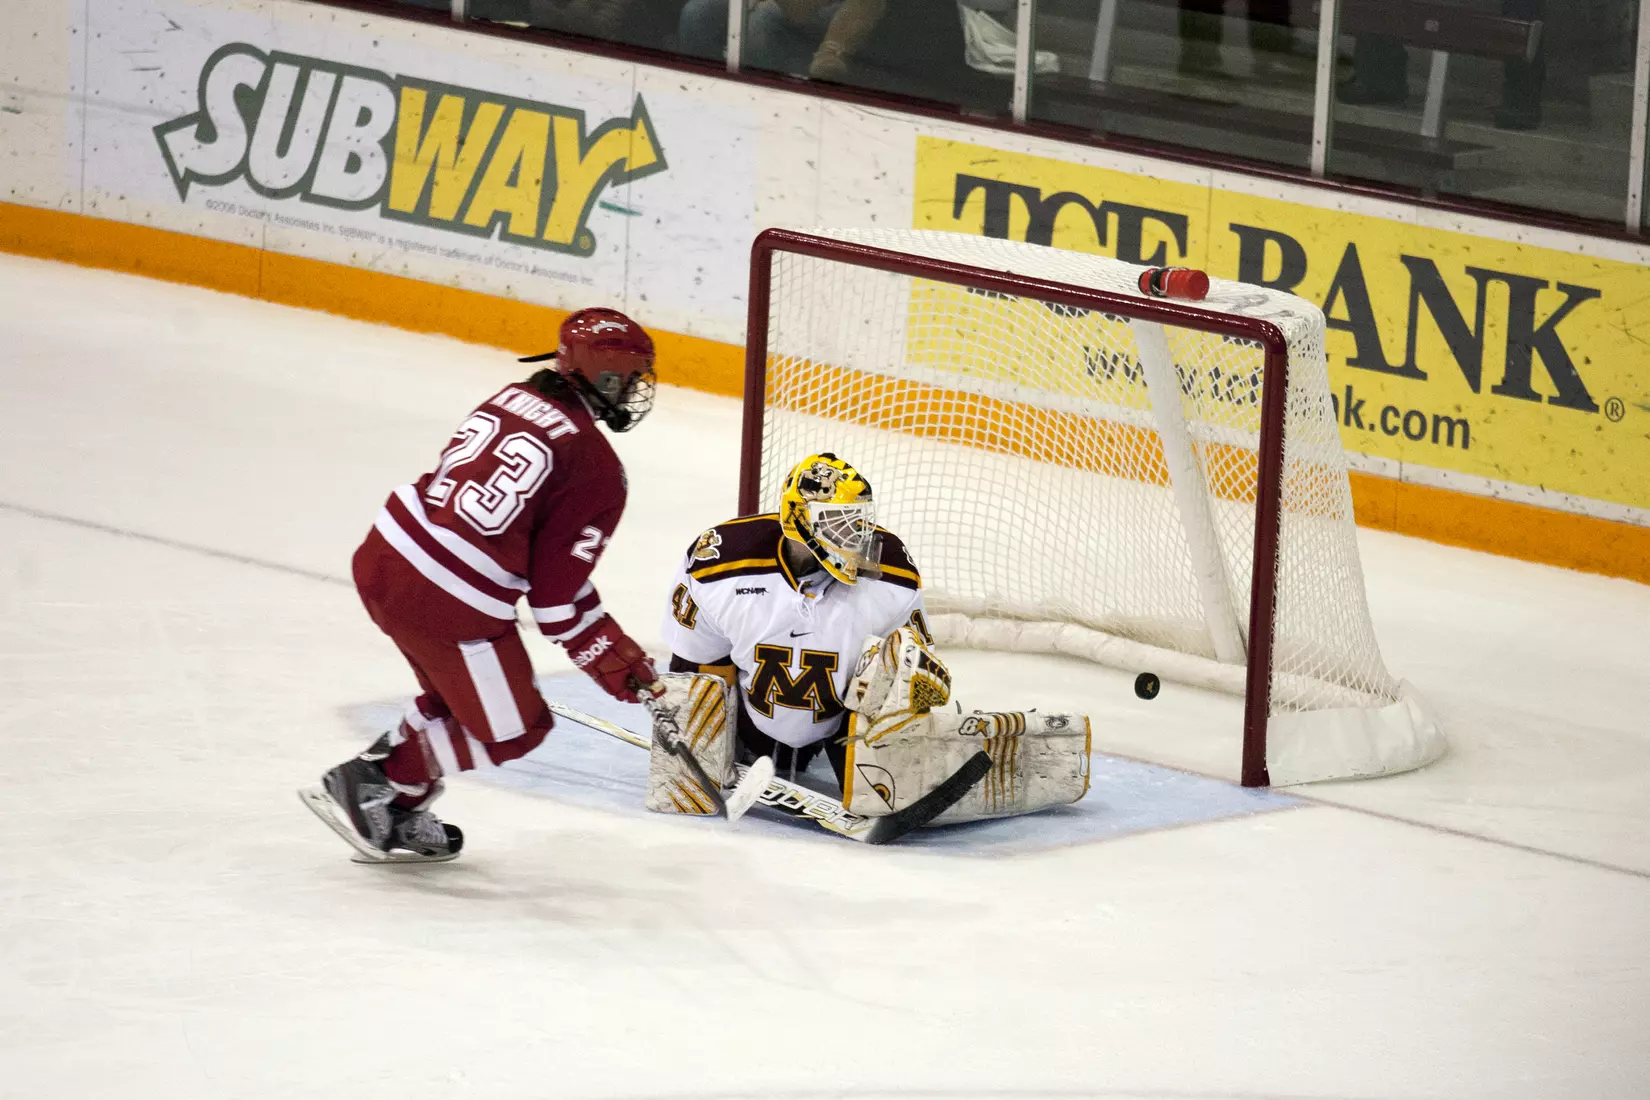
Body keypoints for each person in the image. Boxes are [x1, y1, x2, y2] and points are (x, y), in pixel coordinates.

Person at [301, 307, 664, 862]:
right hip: (444, 599)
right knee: (515, 727)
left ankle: (395, 809)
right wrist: (620, 665)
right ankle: (373, 782)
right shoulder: (596, 468)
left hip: (384, 557)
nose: (637, 390)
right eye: (633, 378)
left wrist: (614, 654)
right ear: (608, 376)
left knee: (454, 702)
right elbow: (555, 601)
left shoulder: (512, 397)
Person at [648, 453, 1090, 826]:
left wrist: (916, 684)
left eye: (859, 522)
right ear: (798, 520)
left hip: (841, 728)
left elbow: (910, 668)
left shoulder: (892, 573)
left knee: (888, 722)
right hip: (748, 722)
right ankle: (705, 758)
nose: (856, 538)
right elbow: (693, 660)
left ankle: (877, 768)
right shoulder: (721, 562)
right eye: (839, 524)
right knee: (691, 761)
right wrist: (700, 744)